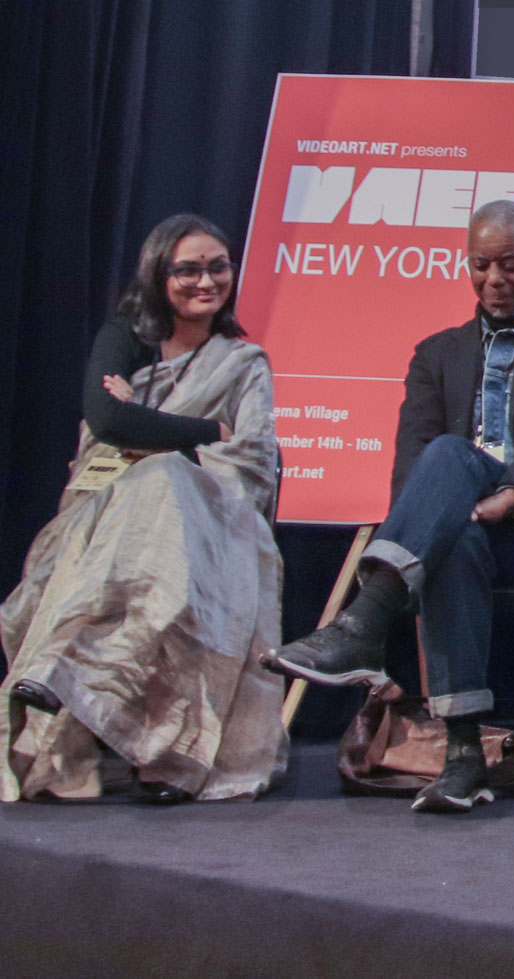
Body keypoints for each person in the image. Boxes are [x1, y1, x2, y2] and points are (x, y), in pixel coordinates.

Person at [265, 199, 514, 814]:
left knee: (455, 460)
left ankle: (364, 622)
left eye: (510, 263)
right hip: (461, 529)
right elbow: (413, 458)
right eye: (480, 265)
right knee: (449, 512)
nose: (494, 280)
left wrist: (513, 493)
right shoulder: (436, 352)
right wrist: (449, 511)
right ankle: (463, 758)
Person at [1, 214, 285, 804]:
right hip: (109, 504)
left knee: (162, 484)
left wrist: (151, 432)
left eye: (218, 267)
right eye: (188, 269)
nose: (205, 281)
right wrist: (206, 427)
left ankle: (74, 673)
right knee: (150, 500)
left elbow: (252, 458)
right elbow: (106, 425)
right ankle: (125, 736)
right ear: (159, 274)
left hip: (213, 515)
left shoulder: (243, 362)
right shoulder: (125, 336)